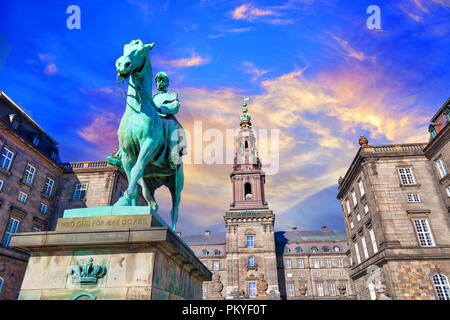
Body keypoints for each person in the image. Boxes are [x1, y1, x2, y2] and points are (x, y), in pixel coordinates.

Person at [152, 71, 187, 169]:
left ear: (167, 83)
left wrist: (160, 108)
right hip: (153, 119)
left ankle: (173, 153)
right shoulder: (152, 97)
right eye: (159, 80)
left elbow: (175, 107)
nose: (161, 82)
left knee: (172, 127)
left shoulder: (172, 95)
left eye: (163, 80)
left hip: (165, 117)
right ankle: (121, 156)